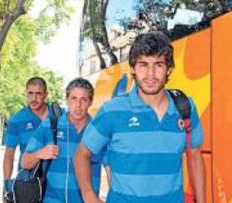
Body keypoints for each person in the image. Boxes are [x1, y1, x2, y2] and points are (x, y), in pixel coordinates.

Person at [74, 32, 205, 203]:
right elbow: (81, 154)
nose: (150, 74)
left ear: (169, 68)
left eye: (158, 65)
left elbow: (194, 155)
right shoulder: (111, 110)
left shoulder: (185, 107)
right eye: (143, 65)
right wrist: (89, 196)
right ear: (133, 69)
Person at [21, 77, 102, 203]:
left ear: (91, 102)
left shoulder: (99, 130)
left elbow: (111, 169)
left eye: (84, 99)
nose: (78, 105)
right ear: (67, 99)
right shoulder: (50, 125)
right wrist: (40, 154)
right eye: (74, 99)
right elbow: (25, 162)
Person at [3, 76, 54, 199]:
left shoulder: (58, 115)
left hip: (55, 181)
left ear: (45, 95)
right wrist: (6, 186)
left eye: (38, 94)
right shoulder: (16, 120)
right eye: (30, 93)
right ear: (26, 93)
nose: (34, 98)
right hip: (28, 183)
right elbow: (9, 155)